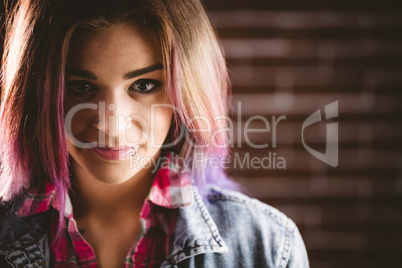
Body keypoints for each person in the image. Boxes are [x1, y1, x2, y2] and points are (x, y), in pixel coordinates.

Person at [0, 0, 309, 267]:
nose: (111, 124)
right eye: (81, 86)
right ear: (37, 96)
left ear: (186, 95)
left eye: (144, 85)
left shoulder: (268, 248)